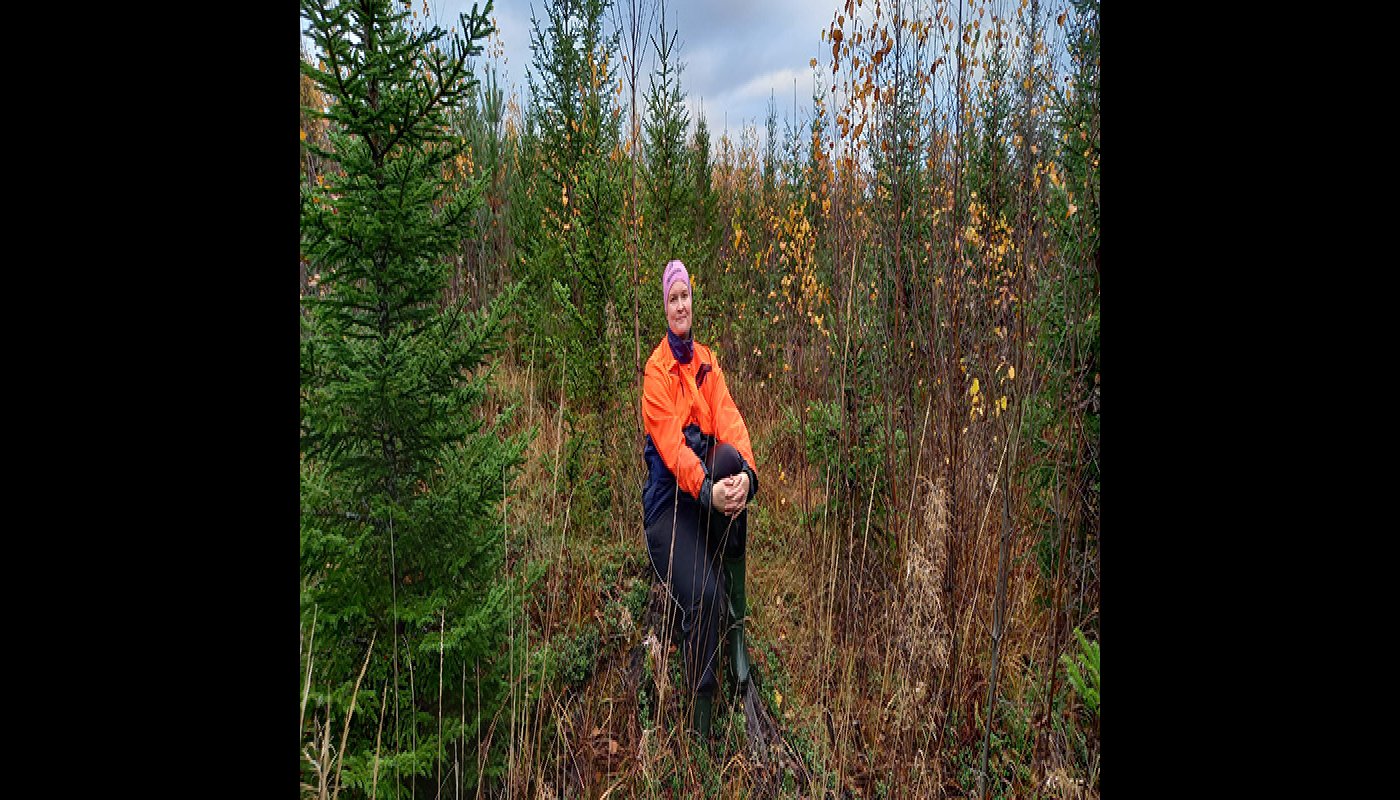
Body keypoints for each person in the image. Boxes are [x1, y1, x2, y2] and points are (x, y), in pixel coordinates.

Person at [641, 259, 759, 738]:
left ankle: (738, 633)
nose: (680, 305)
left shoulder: (707, 362)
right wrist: (708, 491)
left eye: (685, 295)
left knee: (730, 457)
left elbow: (729, 419)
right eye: (673, 298)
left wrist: (746, 476)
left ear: (693, 300)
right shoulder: (656, 372)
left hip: (704, 496)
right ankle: (700, 722)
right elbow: (672, 448)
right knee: (706, 597)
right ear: (665, 307)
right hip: (670, 506)